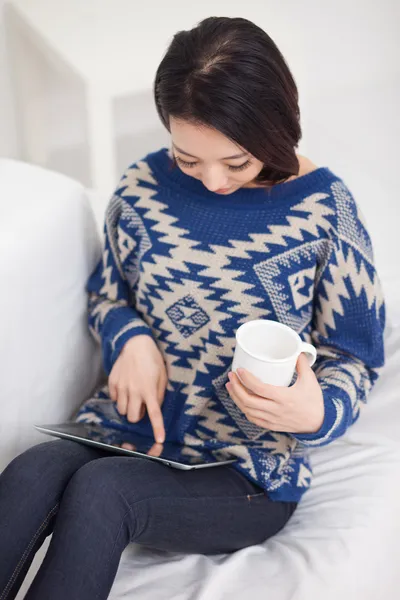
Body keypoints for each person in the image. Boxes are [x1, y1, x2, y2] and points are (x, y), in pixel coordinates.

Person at [0, 15, 385, 600]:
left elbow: (355, 354)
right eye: (187, 158)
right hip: (128, 431)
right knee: (29, 471)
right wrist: (128, 337)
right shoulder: (138, 190)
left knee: (105, 492)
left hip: (245, 469)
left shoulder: (326, 212)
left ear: (278, 127)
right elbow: (108, 295)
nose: (211, 180)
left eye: (237, 162)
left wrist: (317, 410)